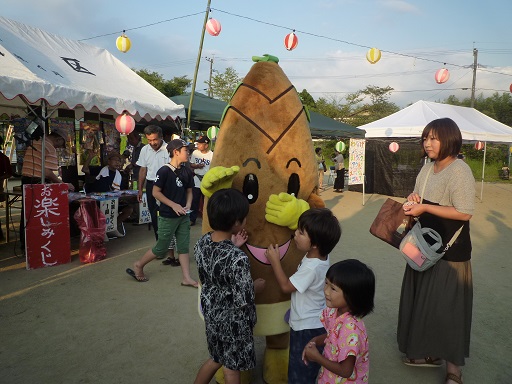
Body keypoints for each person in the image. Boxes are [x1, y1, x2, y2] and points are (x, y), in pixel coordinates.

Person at [399, 118, 475, 384]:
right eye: (425, 138)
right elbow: (419, 196)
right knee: (423, 301)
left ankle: (454, 370)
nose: (427, 143)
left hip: (450, 253)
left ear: (449, 139)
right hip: (423, 246)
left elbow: (464, 212)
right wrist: (414, 200)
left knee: (448, 310)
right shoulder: (427, 169)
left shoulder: (459, 170)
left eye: (434, 138)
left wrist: (426, 208)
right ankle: (428, 353)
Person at [194, 188, 266, 384]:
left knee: (215, 358)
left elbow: (214, 266)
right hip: (233, 324)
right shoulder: (238, 259)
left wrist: (232, 245)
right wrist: (255, 287)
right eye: (244, 218)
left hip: (213, 316)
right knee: (232, 368)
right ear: (236, 223)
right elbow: (243, 298)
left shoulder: (202, 243)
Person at [265, 208, 342, 384]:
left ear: (314, 244)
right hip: (314, 322)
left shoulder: (311, 268)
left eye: (301, 232)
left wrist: (275, 261)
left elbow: (286, 286)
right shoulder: (321, 256)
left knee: (300, 373)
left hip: (307, 328)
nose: (294, 234)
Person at [126, 139, 197, 286]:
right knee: (161, 248)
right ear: (176, 152)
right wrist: (174, 205)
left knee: (183, 247)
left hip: (183, 216)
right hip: (167, 216)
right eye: (186, 150)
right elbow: (155, 192)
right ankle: (139, 265)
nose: (188, 152)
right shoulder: (164, 171)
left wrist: (188, 204)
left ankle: (186, 278)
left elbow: (189, 191)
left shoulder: (187, 171)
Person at [302, 259, 375, 383]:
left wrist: (317, 357)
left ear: (352, 296)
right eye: (326, 283)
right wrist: (316, 340)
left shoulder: (350, 330)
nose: (326, 290)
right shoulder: (336, 311)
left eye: (333, 288)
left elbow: (346, 371)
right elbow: (333, 335)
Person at [20, 131, 75, 248]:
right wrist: (63, 184)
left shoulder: (36, 141)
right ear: (59, 139)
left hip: (26, 179)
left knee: (27, 213)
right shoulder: (50, 147)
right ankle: (37, 243)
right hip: (37, 182)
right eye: (60, 144)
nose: (59, 147)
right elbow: (48, 172)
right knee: (37, 214)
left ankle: (25, 243)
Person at [86, 151, 134, 238]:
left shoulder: (119, 175)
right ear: (109, 161)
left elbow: (119, 191)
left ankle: (112, 228)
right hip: (99, 201)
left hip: (112, 201)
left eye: (119, 161)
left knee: (129, 209)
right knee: (103, 209)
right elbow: (84, 170)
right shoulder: (101, 170)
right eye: (115, 160)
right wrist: (90, 157)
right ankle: (102, 230)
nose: (117, 162)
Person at [189, 135, 213, 226]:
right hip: (197, 178)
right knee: (194, 200)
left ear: (206, 145)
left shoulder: (212, 155)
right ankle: (192, 219)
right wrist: (197, 166)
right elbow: (191, 164)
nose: (198, 146)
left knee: (206, 201)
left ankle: (207, 219)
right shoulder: (195, 153)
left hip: (207, 179)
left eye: (200, 144)